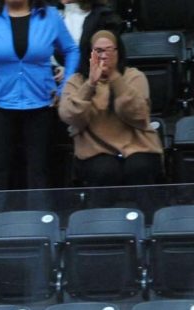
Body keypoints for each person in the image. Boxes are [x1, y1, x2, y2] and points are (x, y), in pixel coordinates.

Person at [0, 0, 78, 203]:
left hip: (41, 103)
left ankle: (41, 225)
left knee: (39, 169)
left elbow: (71, 50)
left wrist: (65, 87)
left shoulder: (50, 16)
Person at [58, 29, 163, 191]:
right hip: (94, 150)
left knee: (139, 169)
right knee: (105, 171)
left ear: (118, 52)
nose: (104, 55)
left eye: (109, 50)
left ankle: (148, 216)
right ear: (89, 54)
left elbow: (138, 115)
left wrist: (115, 77)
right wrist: (90, 85)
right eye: (98, 51)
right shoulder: (76, 81)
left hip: (138, 146)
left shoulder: (134, 76)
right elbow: (69, 116)